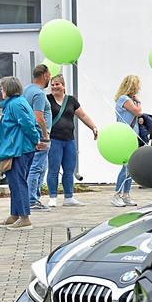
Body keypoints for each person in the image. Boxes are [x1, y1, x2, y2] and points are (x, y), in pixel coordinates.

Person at [0, 76, 40, 230]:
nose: (1, 91)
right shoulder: (15, 103)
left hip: (19, 149)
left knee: (18, 182)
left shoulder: (15, 104)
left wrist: (35, 140)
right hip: (18, 148)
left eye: (2, 88)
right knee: (14, 183)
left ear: (8, 89)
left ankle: (24, 217)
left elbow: (27, 124)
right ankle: (15, 214)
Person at [46, 74, 97, 207]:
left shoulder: (71, 100)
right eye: (52, 84)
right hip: (54, 139)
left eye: (57, 84)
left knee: (69, 169)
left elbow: (83, 115)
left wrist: (93, 127)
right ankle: (52, 197)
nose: (54, 86)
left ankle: (69, 197)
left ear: (63, 86)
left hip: (69, 140)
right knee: (53, 169)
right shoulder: (47, 100)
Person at [22, 64, 53, 211]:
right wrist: (45, 135)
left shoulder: (27, 89)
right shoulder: (39, 94)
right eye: (49, 75)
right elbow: (39, 117)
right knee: (37, 167)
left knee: (37, 167)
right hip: (39, 135)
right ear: (45, 75)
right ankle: (32, 200)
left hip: (31, 135)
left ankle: (32, 198)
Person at [113, 75, 142, 207]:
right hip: (125, 136)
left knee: (131, 167)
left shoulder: (130, 100)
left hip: (132, 136)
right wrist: (138, 103)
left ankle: (126, 194)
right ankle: (117, 194)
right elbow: (137, 112)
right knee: (126, 166)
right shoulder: (123, 99)